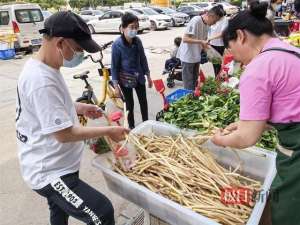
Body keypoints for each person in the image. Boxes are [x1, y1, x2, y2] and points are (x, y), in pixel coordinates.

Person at [16, 11, 129, 225]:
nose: (79, 55)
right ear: (60, 43)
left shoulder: (47, 68)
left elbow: (52, 107)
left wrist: (80, 108)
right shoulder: (41, 80)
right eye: (77, 49)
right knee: (102, 212)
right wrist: (108, 131)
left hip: (57, 164)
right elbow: (63, 134)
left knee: (59, 212)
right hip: (50, 172)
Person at [212, 2, 300, 225]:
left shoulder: (258, 68)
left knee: (288, 211)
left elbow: (247, 138)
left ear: (241, 36)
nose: (235, 58)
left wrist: (220, 140)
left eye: (230, 49)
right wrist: (251, 123)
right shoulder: (289, 51)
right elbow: (291, 107)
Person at [111, 13, 153, 129]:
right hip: (125, 80)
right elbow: (114, 66)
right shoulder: (117, 45)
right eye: (131, 27)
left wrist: (148, 76)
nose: (134, 30)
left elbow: (143, 59)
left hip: (139, 77)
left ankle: (146, 125)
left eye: (136, 27)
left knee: (143, 102)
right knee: (129, 105)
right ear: (123, 28)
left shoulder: (137, 41)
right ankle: (132, 128)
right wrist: (116, 86)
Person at [176, 5, 224, 90]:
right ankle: (188, 100)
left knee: (194, 81)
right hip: (187, 57)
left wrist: (212, 54)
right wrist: (201, 41)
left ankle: (193, 98)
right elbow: (185, 39)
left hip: (196, 57)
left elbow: (204, 42)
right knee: (188, 84)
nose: (215, 23)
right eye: (215, 21)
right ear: (211, 16)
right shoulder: (196, 20)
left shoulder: (207, 25)